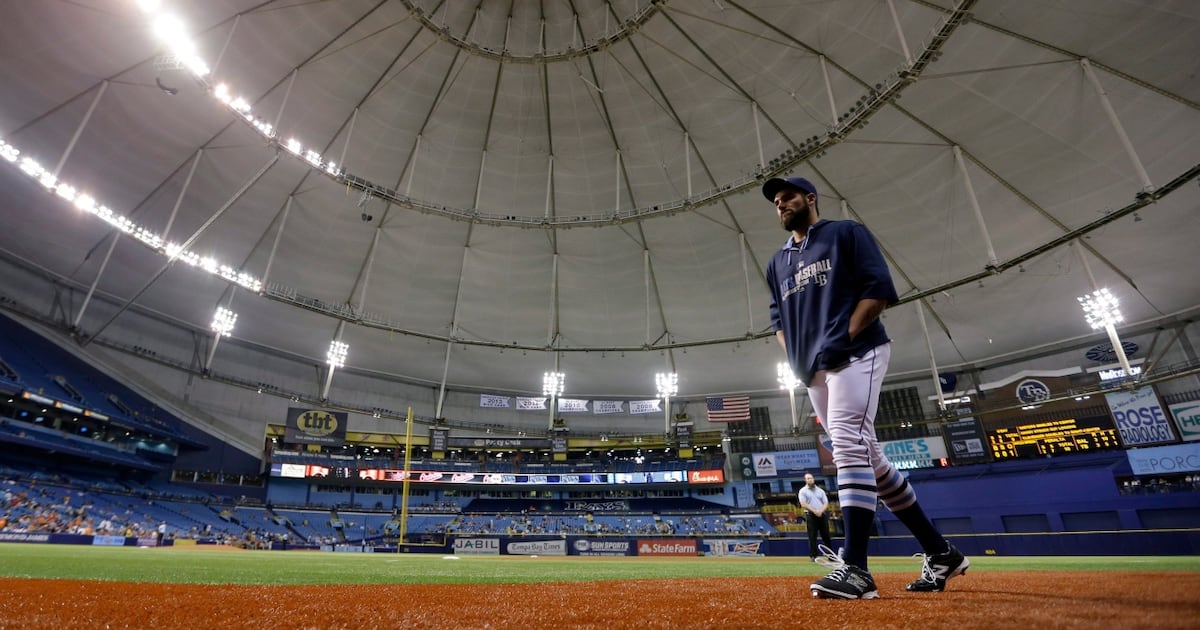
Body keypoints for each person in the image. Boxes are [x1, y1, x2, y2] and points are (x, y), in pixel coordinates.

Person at [762, 176, 969, 599]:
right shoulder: (776, 263)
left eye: (789, 197)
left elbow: (877, 292)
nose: (781, 204)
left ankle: (856, 568)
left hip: (858, 351)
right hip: (813, 369)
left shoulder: (845, 233)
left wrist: (846, 337)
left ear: (810, 199)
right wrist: (797, 357)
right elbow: (778, 322)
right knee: (868, 457)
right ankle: (941, 552)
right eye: (777, 201)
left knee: (848, 446)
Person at [797, 473, 833, 561]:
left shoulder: (820, 491)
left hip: (822, 515)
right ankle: (813, 556)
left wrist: (820, 511)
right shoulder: (802, 491)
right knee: (812, 536)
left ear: (814, 479)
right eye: (808, 478)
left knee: (826, 536)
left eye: (811, 478)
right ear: (805, 480)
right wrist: (815, 511)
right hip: (810, 515)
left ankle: (831, 556)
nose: (810, 480)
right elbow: (803, 504)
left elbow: (826, 503)